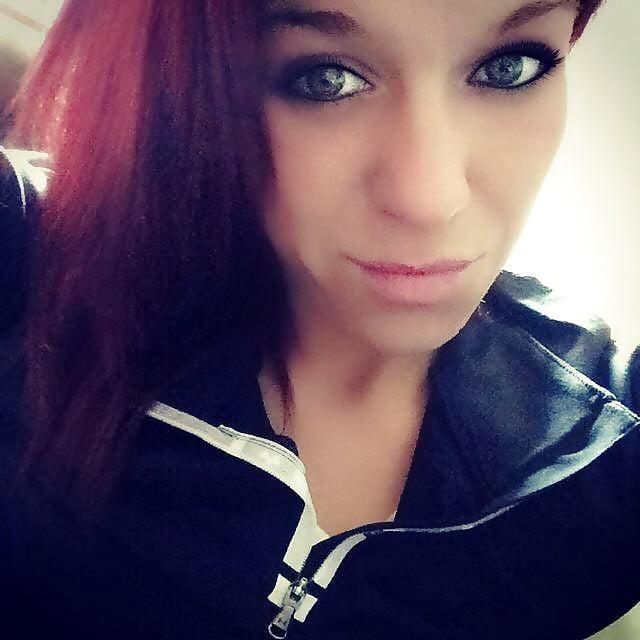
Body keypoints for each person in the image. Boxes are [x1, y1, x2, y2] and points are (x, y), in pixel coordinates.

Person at [0, 0, 638, 638]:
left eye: (509, 68)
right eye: (326, 79)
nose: (430, 199)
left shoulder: (604, 454)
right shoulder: (40, 270)